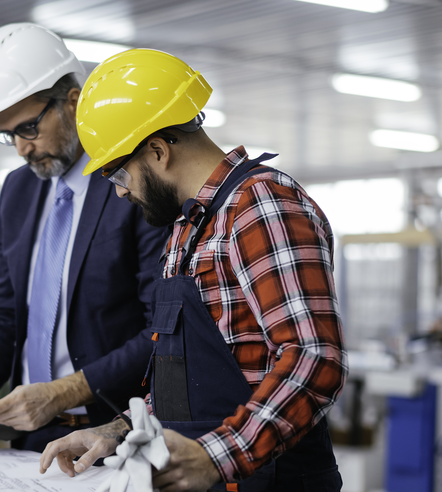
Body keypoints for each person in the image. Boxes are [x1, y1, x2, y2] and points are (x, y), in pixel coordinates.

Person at [40, 49, 348, 491]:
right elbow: (183, 385)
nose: (121, 195)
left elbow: (315, 358)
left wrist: (216, 457)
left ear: (158, 150)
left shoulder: (260, 207)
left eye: (118, 175)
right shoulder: (188, 229)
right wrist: (120, 431)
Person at [0, 24, 168, 452]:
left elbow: (162, 330)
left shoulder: (132, 184)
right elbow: (9, 315)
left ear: (74, 102)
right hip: (32, 435)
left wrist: (66, 391)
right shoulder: (17, 192)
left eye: (29, 128)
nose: (22, 149)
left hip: (114, 435)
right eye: (7, 134)